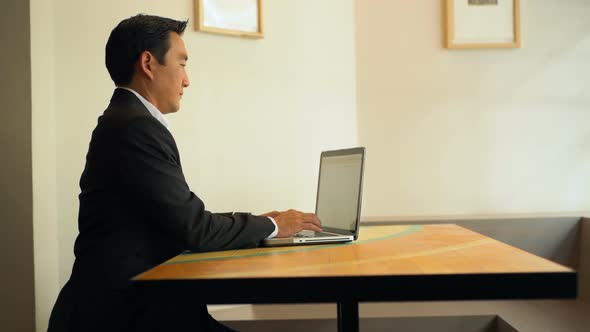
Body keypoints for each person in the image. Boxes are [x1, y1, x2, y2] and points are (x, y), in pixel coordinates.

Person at [47, 14, 322, 332]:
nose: (187, 80)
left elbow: (180, 218)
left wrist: (263, 225)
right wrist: (273, 225)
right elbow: (196, 228)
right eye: (182, 64)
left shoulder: (127, 120)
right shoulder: (134, 127)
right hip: (127, 315)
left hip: (137, 307)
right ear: (148, 64)